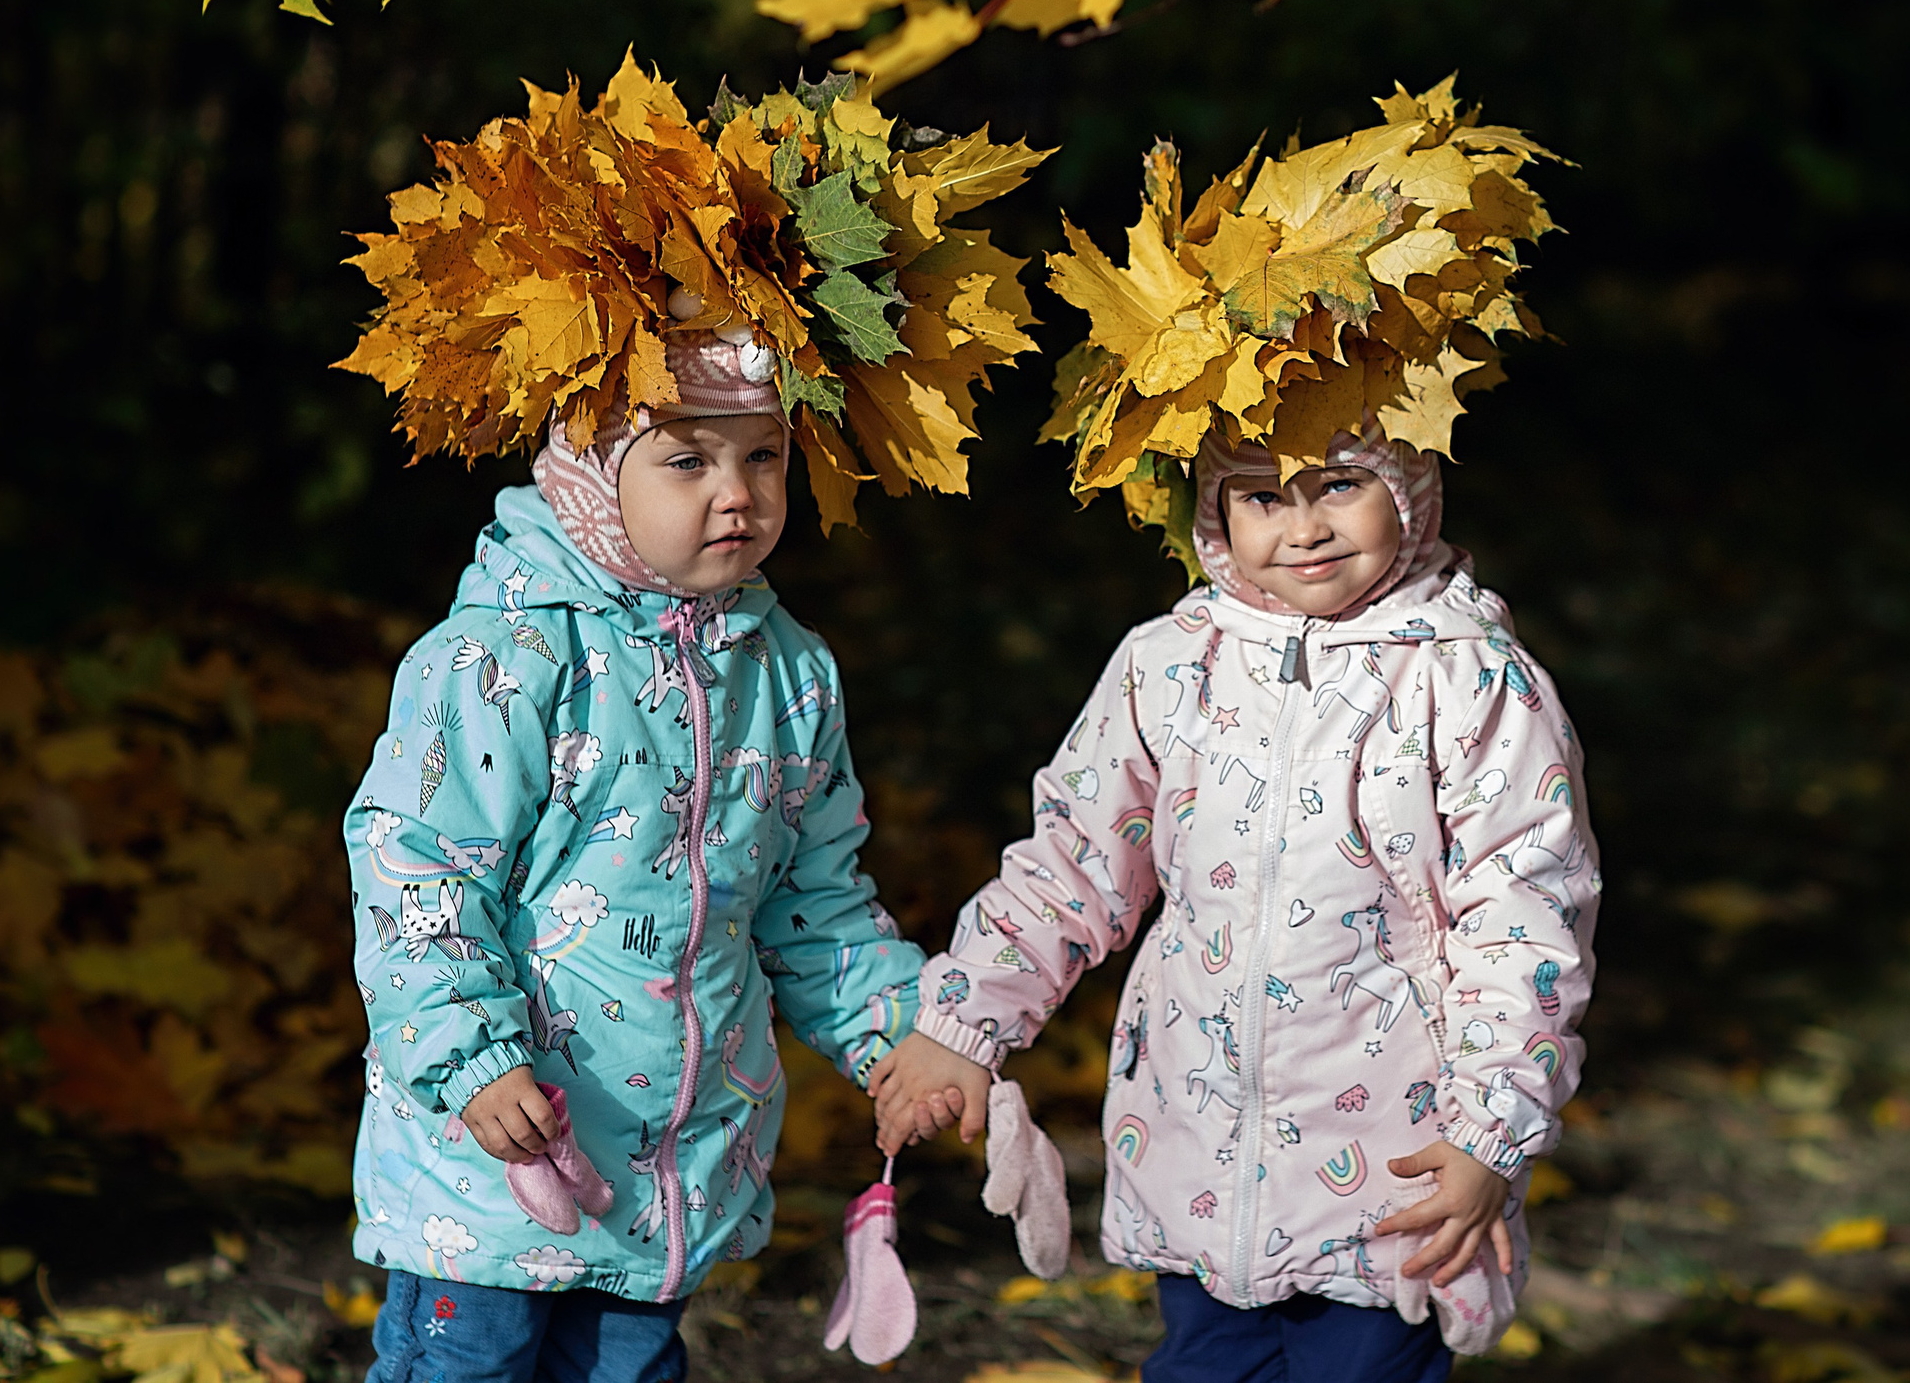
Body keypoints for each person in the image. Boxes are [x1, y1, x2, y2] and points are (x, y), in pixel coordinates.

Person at [869, 420, 1600, 1381]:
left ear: (1409, 486)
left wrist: (1489, 1131)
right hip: (1195, 1139)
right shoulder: (1171, 665)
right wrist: (967, 1020)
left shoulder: (1468, 678)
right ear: (1215, 509)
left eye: (1339, 485)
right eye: (1261, 496)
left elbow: (1524, 921)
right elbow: (1075, 861)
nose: (1304, 528)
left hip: (1396, 1159)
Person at [344, 332, 924, 1383]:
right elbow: (418, 870)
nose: (738, 493)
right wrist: (473, 1056)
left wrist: (898, 1036)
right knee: (465, 1368)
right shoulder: (504, 657)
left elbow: (814, 897)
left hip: (668, 1175)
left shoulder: (786, 673)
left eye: (764, 456)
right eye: (688, 460)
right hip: (497, 1156)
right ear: (591, 475)